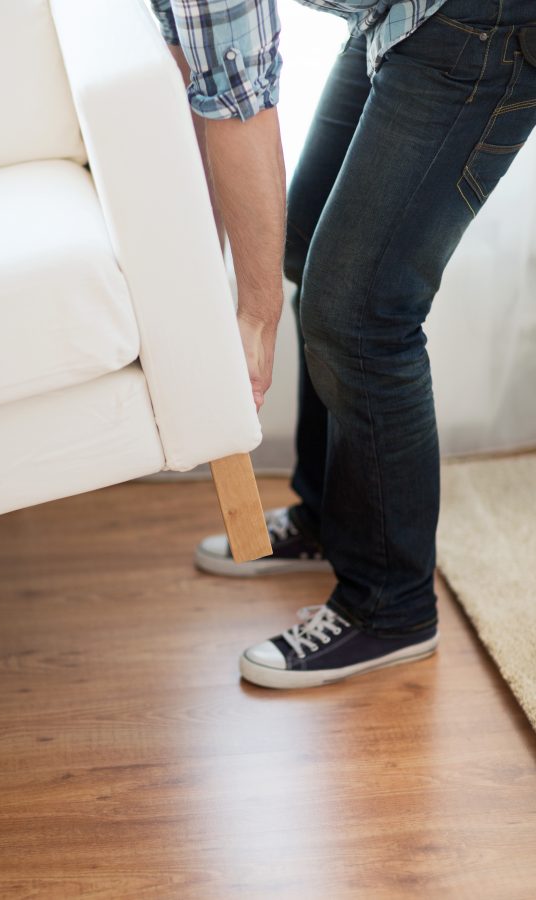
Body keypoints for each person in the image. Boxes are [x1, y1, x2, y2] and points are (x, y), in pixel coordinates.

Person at [150, 0, 536, 689]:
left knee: (361, 313)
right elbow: (200, 76)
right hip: (409, 11)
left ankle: (391, 608)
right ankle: (330, 513)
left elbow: (237, 95)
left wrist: (255, 319)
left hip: (488, 18)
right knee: (300, 245)